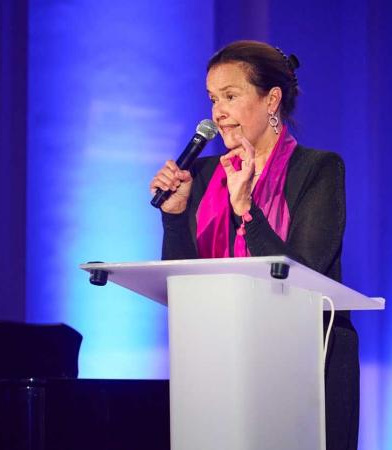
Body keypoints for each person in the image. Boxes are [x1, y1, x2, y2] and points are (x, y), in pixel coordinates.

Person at [149, 40, 359, 450]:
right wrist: (174, 216)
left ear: (271, 100)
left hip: (308, 366)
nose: (218, 112)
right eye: (213, 99)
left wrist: (246, 206)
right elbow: (185, 284)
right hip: (222, 363)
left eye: (230, 96)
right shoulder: (205, 175)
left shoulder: (319, 170)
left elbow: (303, 271)